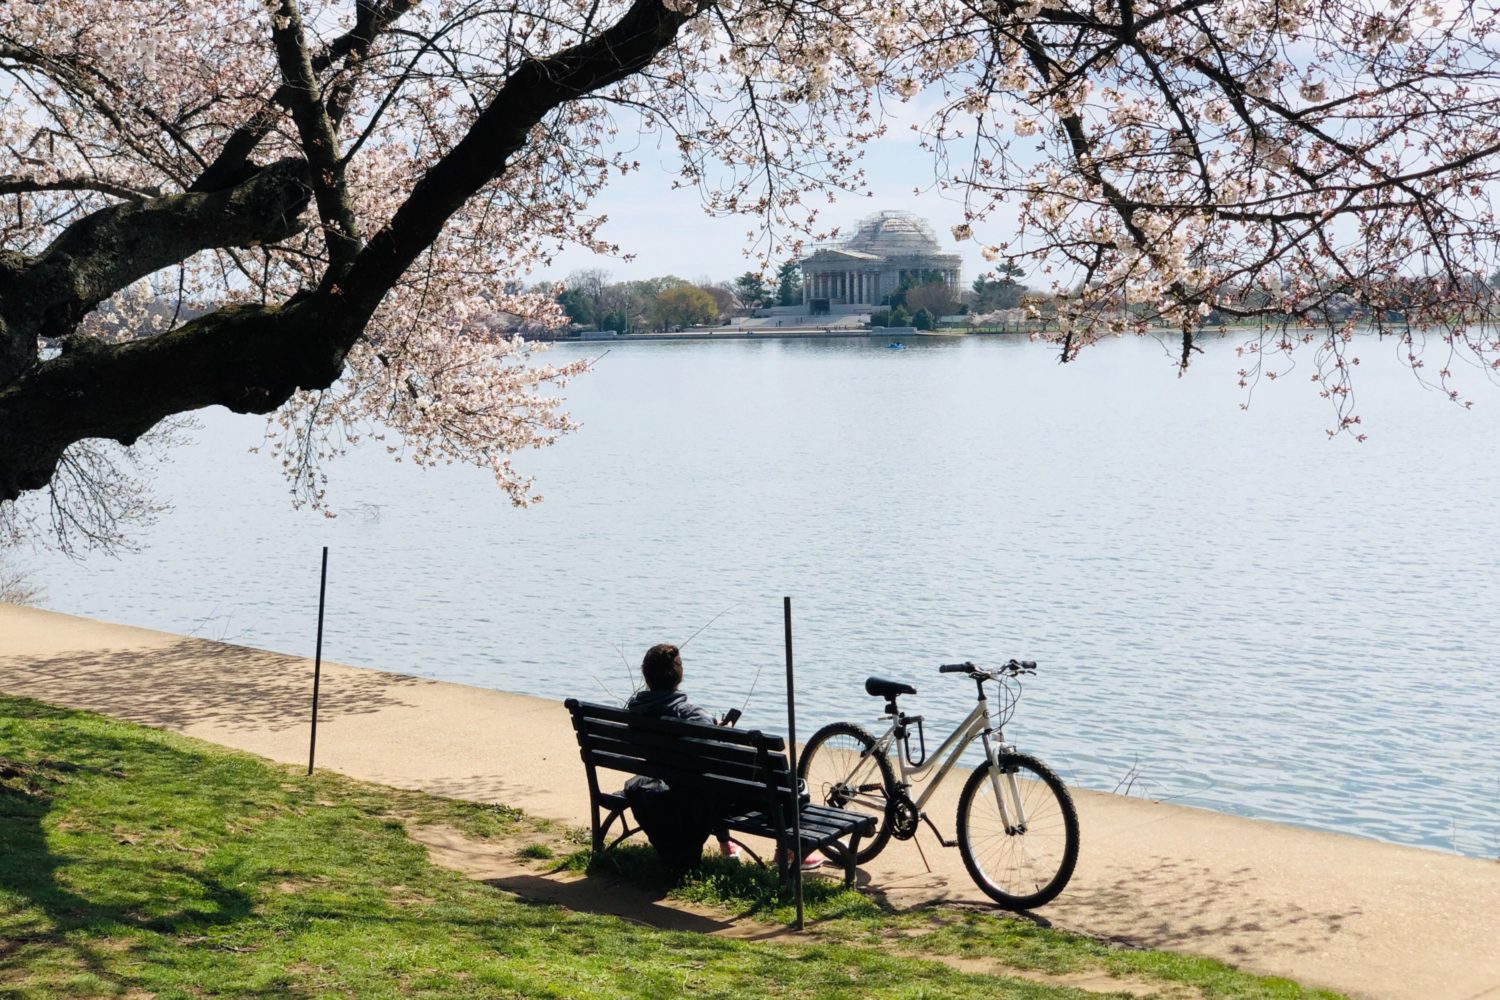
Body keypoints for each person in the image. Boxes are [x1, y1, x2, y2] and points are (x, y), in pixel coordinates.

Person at [625, 643, 824, 871]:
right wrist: (724, 734)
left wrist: (714, 733)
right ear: (680, 675)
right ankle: (786, 852)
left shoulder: (636, 711)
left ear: (646, 675)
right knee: (793, 788)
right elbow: (715, 760)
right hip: (701, 797)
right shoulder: (691, 714)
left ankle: (727, 844)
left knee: (709, 778)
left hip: (669, 781)